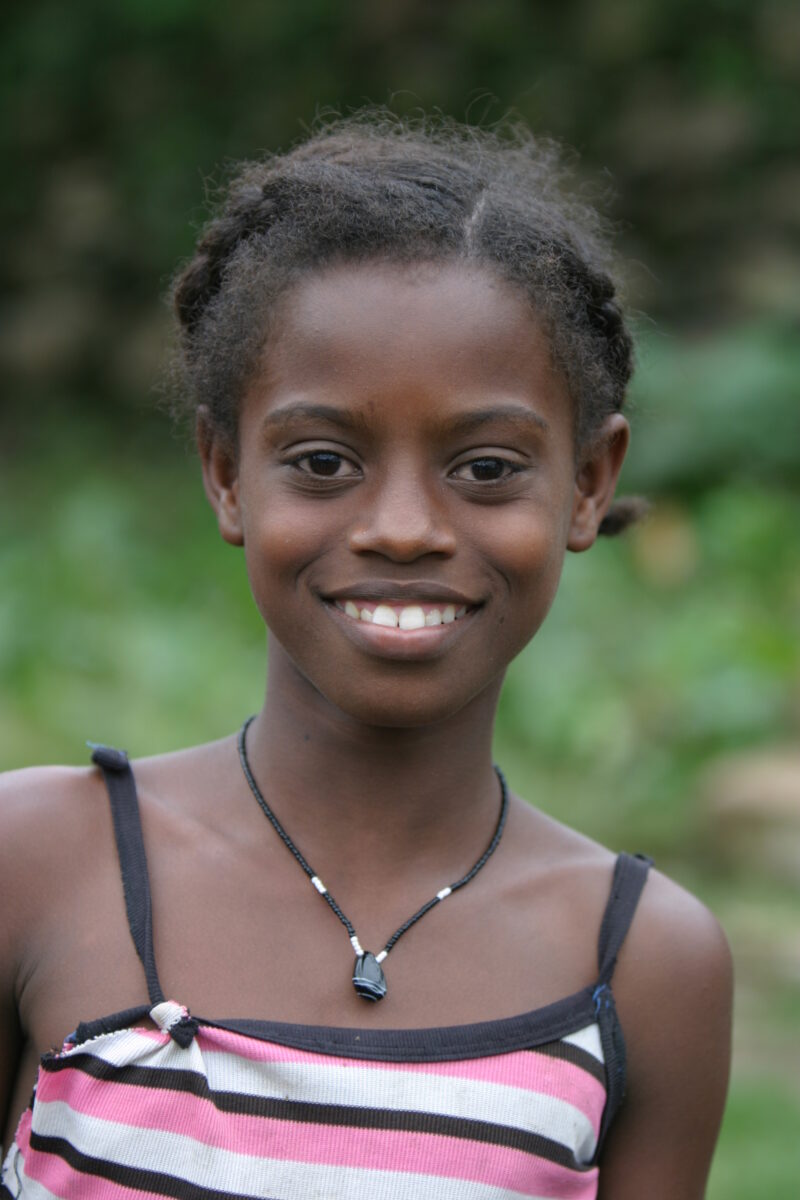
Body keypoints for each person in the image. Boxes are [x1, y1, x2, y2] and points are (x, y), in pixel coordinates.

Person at [1, 113, 732, 1199]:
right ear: (222, 472)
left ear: (585, 482)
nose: (401, 526)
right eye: (322, 459)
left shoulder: (637, 964)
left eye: (484, 468)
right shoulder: (42, 864)